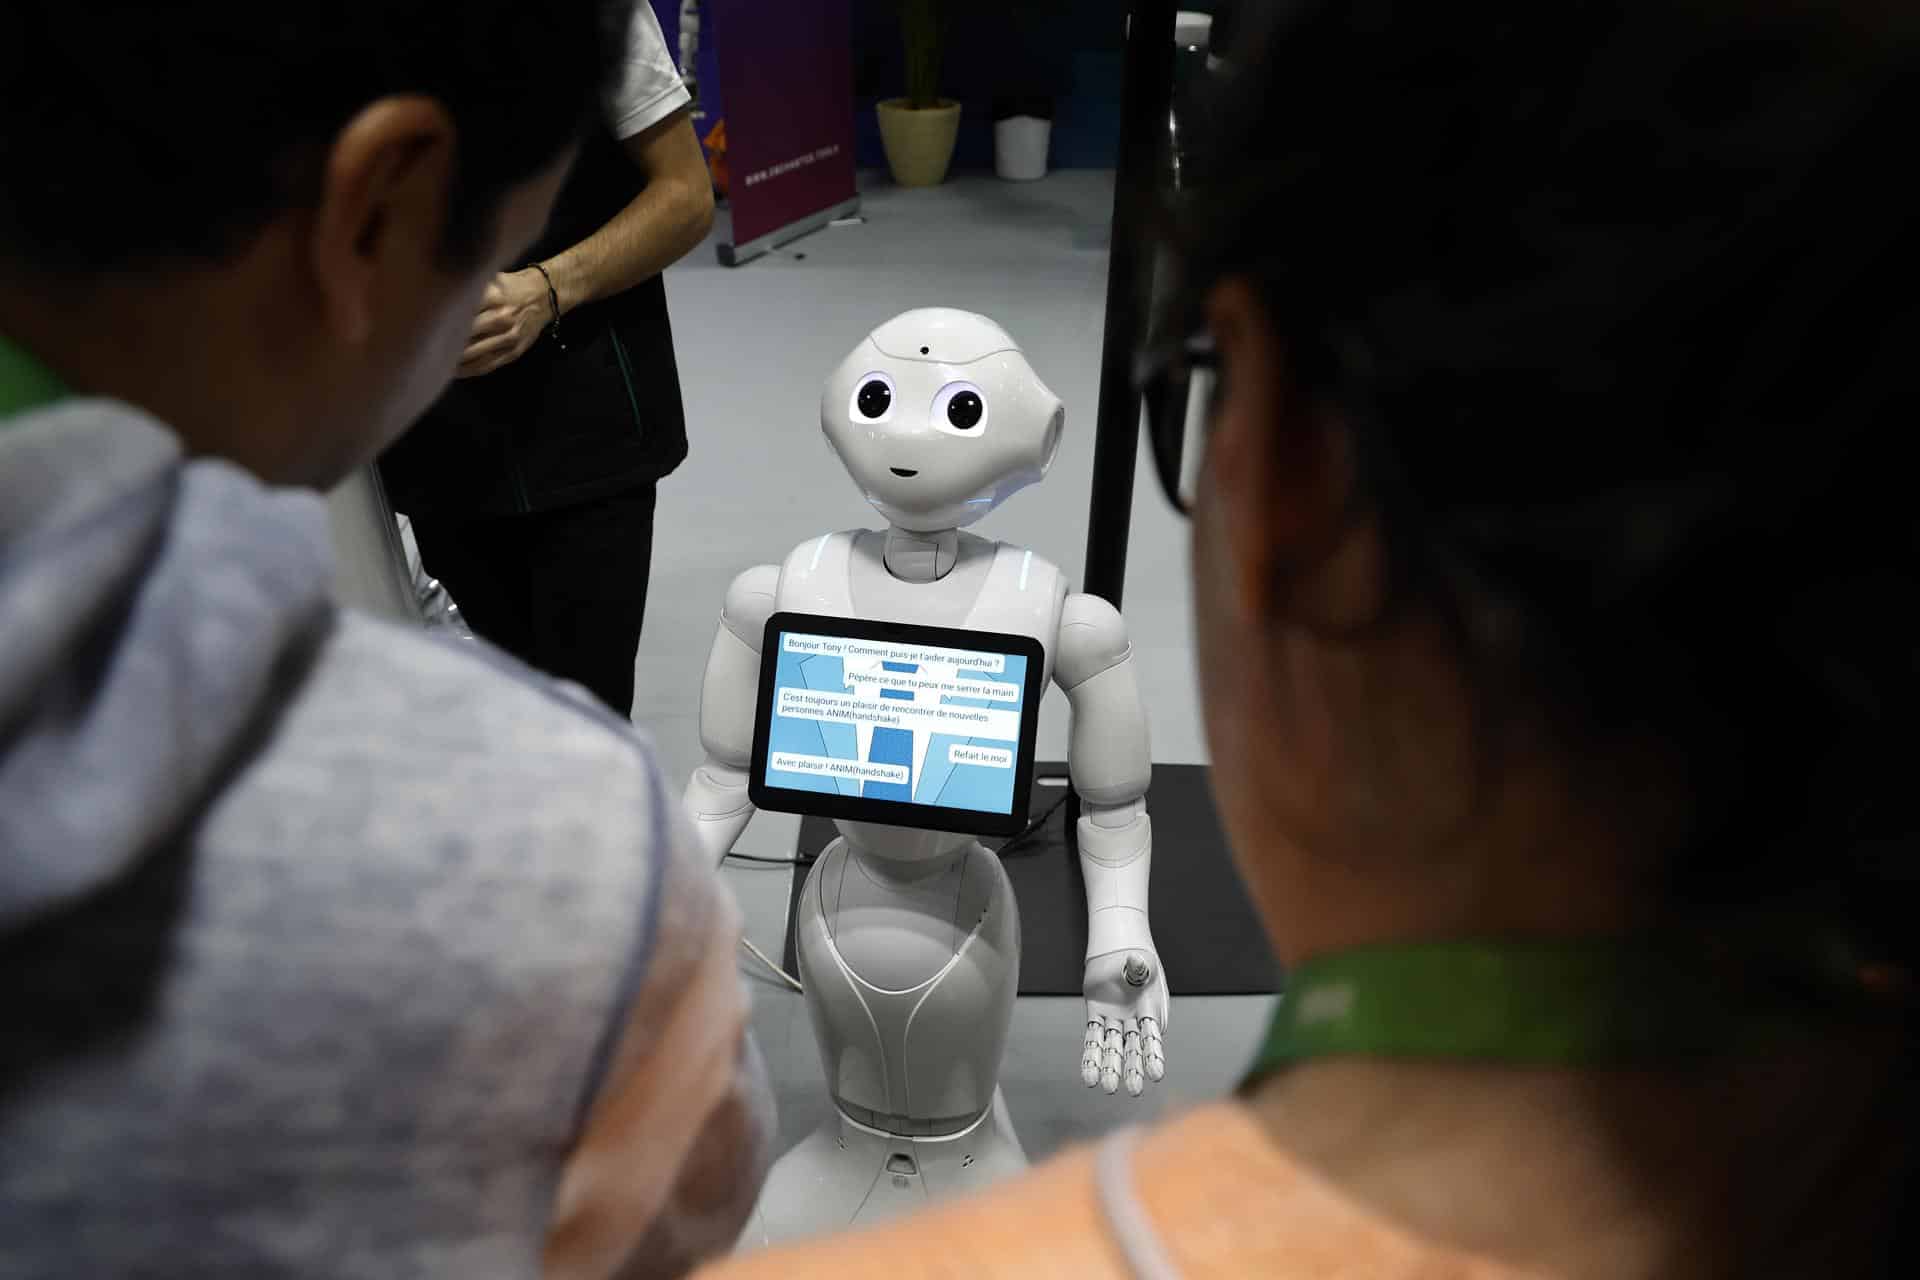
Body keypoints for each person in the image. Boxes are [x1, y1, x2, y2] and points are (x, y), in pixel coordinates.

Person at [695, 1, 1918, 1276]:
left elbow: (1108, 803)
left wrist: (1120, 921)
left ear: (1279, 461)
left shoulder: (1048, 615)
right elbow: (732, 776)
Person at [0, 2, 769, 1275]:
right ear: (381, 208)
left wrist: (555, 282)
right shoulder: (564, 852)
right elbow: (678, 1214)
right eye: (488, 245)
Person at [380, 0, 713, 720]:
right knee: (471, 722)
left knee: (583, 719)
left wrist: (547, 290)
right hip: (425, 435)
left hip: (589, 427)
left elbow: (686, 197)